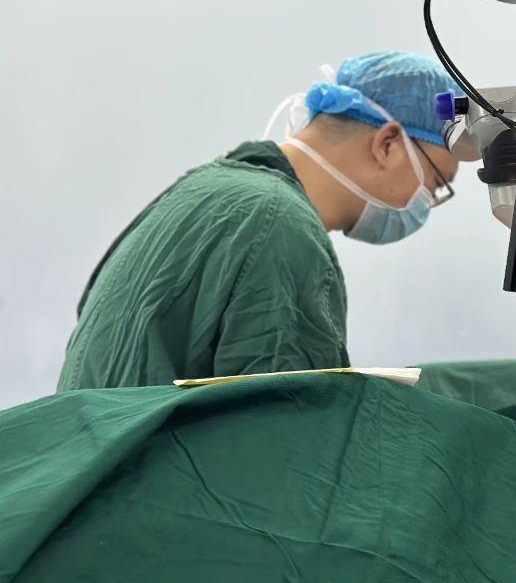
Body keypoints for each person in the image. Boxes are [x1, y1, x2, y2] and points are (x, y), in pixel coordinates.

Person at [58, 51, 461, 391]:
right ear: (387, 144)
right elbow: (285, 433)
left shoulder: (196, 195)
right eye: (437, 182)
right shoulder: (281, 229)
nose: (429, 201)